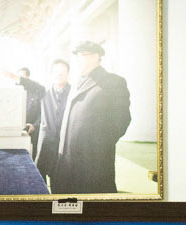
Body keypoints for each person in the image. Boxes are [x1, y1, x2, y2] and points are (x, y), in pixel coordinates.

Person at [51, 41, 130, 195]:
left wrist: (98, 145)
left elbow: (122, 120)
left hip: (94, 162)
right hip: (67, 161)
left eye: (84, 55)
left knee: (95, 208)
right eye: (78, 56)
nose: (79, 60)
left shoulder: (113, 82)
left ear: (96, 57)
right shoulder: (77, 83)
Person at [32, 59, 71, 185]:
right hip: (45, 144)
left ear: (68, 74)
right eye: (56, 72)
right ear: (51, 74)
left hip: (65, 145)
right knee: (39, 180)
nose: (59, 75)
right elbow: (39, 116)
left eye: (63, 72)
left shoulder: (74, 93)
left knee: (60, 182)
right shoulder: (44, 92)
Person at [4, 67, 43, 157]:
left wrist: (34, 126)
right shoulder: (11, 94)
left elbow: (43, 114)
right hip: (15, 134)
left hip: (32, 133)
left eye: (23, 78)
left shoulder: (37, 93)